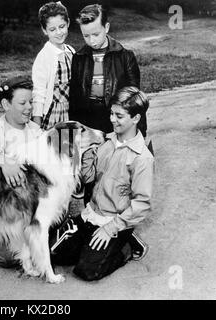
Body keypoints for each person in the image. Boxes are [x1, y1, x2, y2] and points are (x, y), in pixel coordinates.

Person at [52, 87, 154, 281]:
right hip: (91, 214)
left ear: (136, 119)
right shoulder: (105, 141)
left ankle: (127, 246)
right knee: (57, 254)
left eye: (119, 116)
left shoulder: (143, 159)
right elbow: (88, 179)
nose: (112, 119)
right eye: (111, 114)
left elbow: (142, 204)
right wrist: (85, 152)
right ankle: (91, 244)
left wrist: (111, 228)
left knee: (87, 271)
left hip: (114, 221)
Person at [0, 76, 42, 259]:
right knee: (8, 257)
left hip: (28, 202)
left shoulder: (34, 130)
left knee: (46, 243)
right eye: (22, 103)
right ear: (6, 104)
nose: (29, 107)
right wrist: (4, 162)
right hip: (3, 205)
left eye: (31, 102)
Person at [69, 4, 144, 136]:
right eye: (86, 36)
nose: (92, 41)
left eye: (96, 34)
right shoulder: (78, 58)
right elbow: (74, 99)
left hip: (115, 116)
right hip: (88, 117)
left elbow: (134, 96)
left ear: (107, 27)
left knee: (116, 153)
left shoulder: (125, 56)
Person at [32, 1, 75, 130]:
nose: (58, 32)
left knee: (70, 147)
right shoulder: (44, 57)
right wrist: (36, 123)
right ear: (44, 30)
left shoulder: (71, 52)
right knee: (54, 148)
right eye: (52, 29)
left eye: (62, 26)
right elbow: (39, 92)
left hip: (71, 110)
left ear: (68, 23)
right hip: (54, 114)